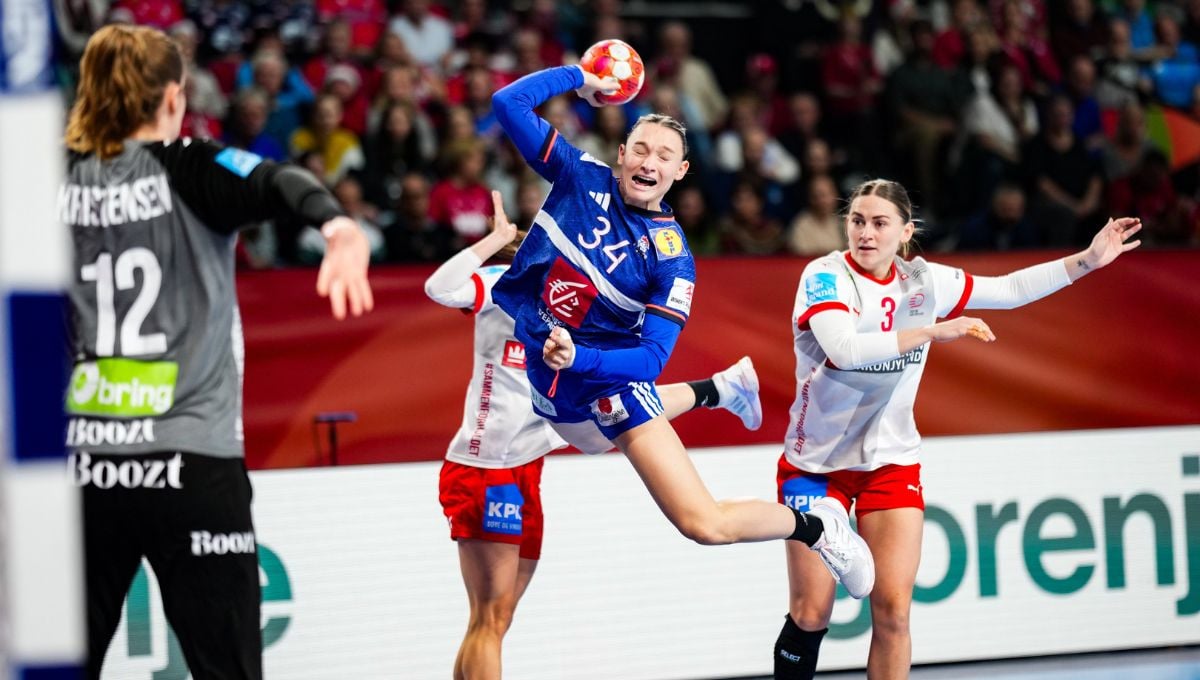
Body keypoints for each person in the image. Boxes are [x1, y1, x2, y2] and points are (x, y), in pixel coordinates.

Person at [487, 64, 875, 600]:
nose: (650, 162)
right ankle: (722, 389)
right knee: (584, 438)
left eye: (664, 156)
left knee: (703, 525)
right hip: (557, 376)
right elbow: (508, 103)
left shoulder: (673, 262)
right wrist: (580, 76)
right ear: (621, 154)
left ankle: (819, 528)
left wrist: (578, 357)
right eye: (641, 149)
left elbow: (649, 362)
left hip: (606, 383)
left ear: (682, 171)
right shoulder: (579, 175)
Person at [62, 25, 373, 680]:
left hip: (86, 467)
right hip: (191, 461)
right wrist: (337, 225)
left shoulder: (54, 185)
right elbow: (276, 178)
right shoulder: (192, 167)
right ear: (173, 97)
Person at [772, 178, 1141, 680]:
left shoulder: (925, 281)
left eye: (880, 223)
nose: (865, 232)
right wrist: (929, 330)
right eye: (857, 220)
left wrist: (1087, 261)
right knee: (812, 613)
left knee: (894, 612)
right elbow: (845, 349)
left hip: (890, 461)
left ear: (906, 232)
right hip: (815, 465)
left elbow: (1010, 290)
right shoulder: (825, 275)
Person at [427, 190, 767, 680]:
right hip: (486, 467)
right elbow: (440, 288)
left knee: (495, 621)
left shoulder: (579, 295)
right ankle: (718, 387)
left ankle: (720, 388)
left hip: (530, 457)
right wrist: (494, 241)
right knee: (489, 618)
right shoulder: (503, 281)